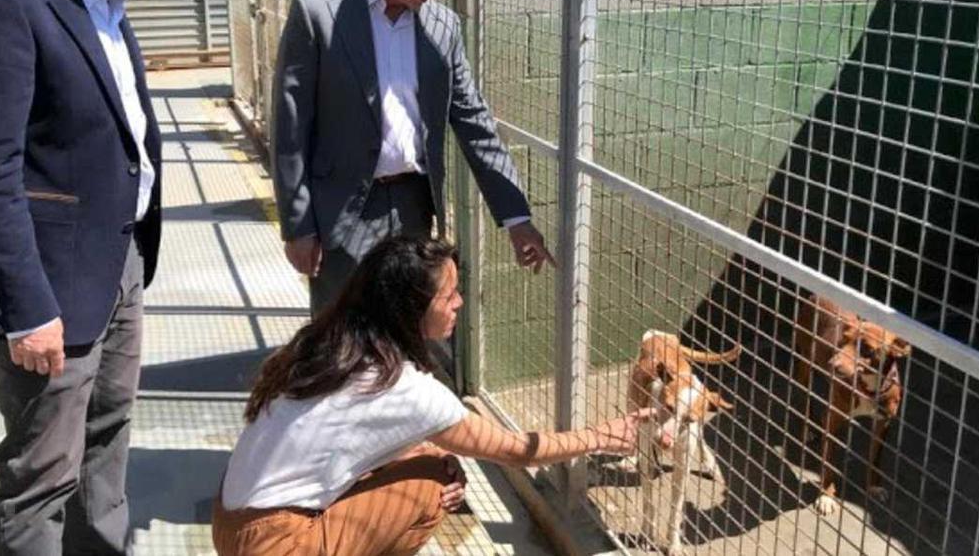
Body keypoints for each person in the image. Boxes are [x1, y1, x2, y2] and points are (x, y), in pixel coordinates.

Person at [0, 0, 194, 551]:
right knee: (41, 476)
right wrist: (25, 307)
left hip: (117, 260)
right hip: (47, 286)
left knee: (106, 447)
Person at [213, 236, 651, 555]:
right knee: (435, 481)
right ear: (413, 309)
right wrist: (602, 436)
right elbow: (517, 450)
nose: (460, 302)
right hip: (274, 543)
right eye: (450, 295)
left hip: (231, 522)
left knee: (424, 452)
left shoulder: (331, 344)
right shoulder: (406, 388)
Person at [272, 0, 555, 315]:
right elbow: (290, 130)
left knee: (408, 333)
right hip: (342, 214)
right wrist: (297, 226)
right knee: (343, 344)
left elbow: (474, 120)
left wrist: (516, 218)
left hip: (414, 210)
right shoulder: (316, 16)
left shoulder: (442, 28)